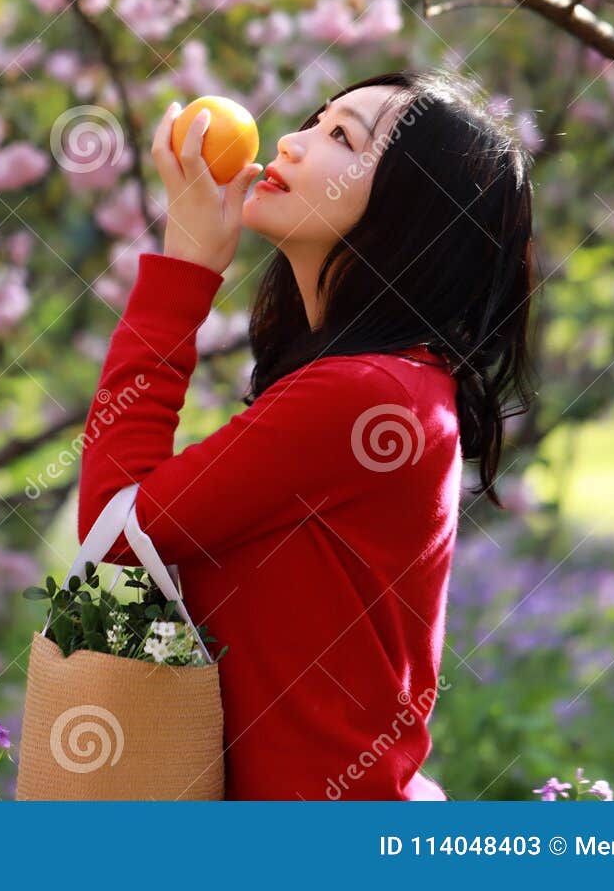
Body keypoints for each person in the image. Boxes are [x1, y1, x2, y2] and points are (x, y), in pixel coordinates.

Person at [77, 69, 536, 800]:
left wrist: (181, 273)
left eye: (342, 138)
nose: (290, 142)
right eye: (316, 120)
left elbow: (113, 532)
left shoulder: (368, 395)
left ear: (411, 215)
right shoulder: (391, 385)